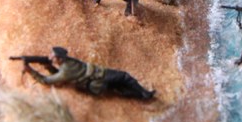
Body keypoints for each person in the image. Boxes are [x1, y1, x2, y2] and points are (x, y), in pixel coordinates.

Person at [22, 47, 155, 99]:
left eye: (53, 55)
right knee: (122, 83)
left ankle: (143, 94)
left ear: (60, 59)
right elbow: (47, 81)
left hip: (99, 74)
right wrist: (31, 71)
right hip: (97, 80)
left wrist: (47, 67)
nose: (50, 56)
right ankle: (144, 94)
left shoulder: (66, 66)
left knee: (123, 82)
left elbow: (55, 76)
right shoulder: (66, 67)